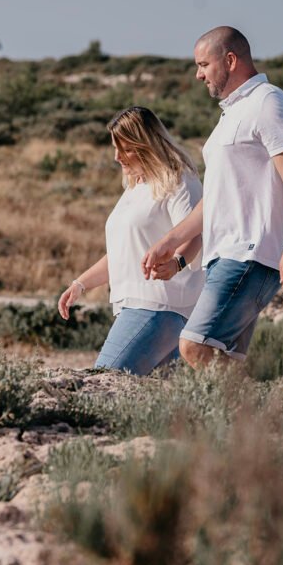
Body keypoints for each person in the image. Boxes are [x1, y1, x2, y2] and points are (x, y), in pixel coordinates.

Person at [142, 26, 283, 367]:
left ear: (230, 60)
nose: (198, 73)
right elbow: (215, 201)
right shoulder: (231, 113)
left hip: (250, 255)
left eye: (203, 64)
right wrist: (170, 246)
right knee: (226, 359)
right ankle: (260, 418)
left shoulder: (269, 102)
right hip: (224, 257)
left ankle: (268, 410)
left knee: (194, 347)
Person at [58, 106, 204, 375]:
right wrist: (80, 284)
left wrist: (177, 262)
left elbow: (197, 232)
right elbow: (122, 254)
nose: (117, 157)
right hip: (135, 306)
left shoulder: (179, 180)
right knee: (159, 407)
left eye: (125, 149)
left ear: (146, 144)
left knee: (103, 385)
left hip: (158, 307)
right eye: (115, 148)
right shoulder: (135, 186)